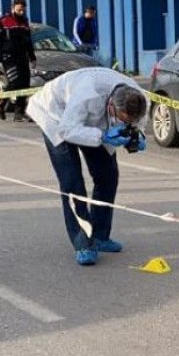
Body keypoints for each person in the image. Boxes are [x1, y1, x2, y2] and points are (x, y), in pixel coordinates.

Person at [27, 67, 150, 266]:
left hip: (93, 123)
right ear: (110, 105)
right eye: (121, 118)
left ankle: (100, 235)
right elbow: (68, 130)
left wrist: (136, 137)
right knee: (72, 181)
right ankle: (83, 242)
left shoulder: (139, 97)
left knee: (108, 175)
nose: (123, 123)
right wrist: (102, 136)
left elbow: (139, 124)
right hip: (57, 117)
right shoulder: (88, 94)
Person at [0, 0, 37, 122]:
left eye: (23, 10)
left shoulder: (25, 22)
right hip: (8, 57)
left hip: (22, 56)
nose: (21, 12)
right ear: (13, 7)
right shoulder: (4, 21)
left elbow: (28, 42)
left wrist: (32, 58)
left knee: (24, 84)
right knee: (15, 82)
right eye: (19, 9)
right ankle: (0, 103)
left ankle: (19, 112)